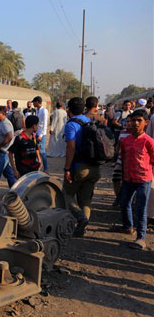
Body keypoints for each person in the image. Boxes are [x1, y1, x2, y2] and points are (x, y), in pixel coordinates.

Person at [116, 109, 154, 250]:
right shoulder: (125, 141)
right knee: (125, 203)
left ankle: (141, 238)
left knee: (140, 208)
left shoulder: (148, 141)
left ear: (146, 123)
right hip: (128, 178)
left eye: (139, 120)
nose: (136, 123)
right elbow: (123, 158)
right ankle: (128, 227)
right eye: (134, 120)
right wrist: (121, 178)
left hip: (143, 179)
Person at [63, 97, 101, 237]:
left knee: (66, 194)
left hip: (80, 168)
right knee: (85, 199)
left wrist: (67, 169)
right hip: (94, 167)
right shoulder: (89, 121)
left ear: (69, 110)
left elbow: (71, 147)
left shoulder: (71, 124)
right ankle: (82, 229)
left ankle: (81, 218)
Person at [33, 96, 49, 173]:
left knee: (42, 151)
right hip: (36, 133)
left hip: (41, 134)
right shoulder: (37, 110)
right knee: (36, 151)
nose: (33, 103)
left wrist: (41, 135)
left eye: (34, 102)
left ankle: (46, 169)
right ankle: (37, 168)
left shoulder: (44, 111)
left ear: (37, 102)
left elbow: (45, 124)